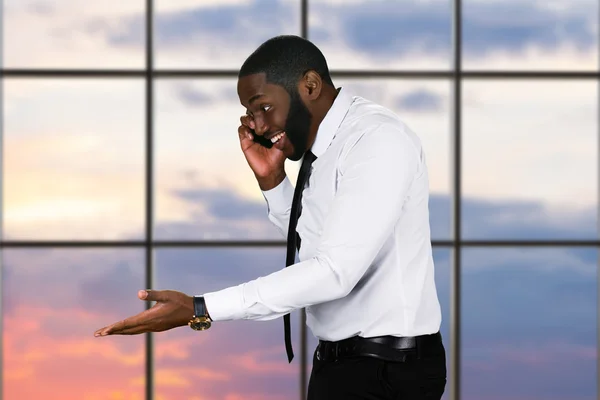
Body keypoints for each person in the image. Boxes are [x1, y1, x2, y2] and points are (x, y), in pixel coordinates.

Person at [94, 35, 447, 399]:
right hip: (341, 364)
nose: (258, 126)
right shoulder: (325, 148)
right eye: (250, 114)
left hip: (388, 370)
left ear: (309, 85)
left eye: (263, 107)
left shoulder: (376, 140)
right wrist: (274, 183)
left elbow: (334, 272)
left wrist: (202, 308)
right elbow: (313, 246)